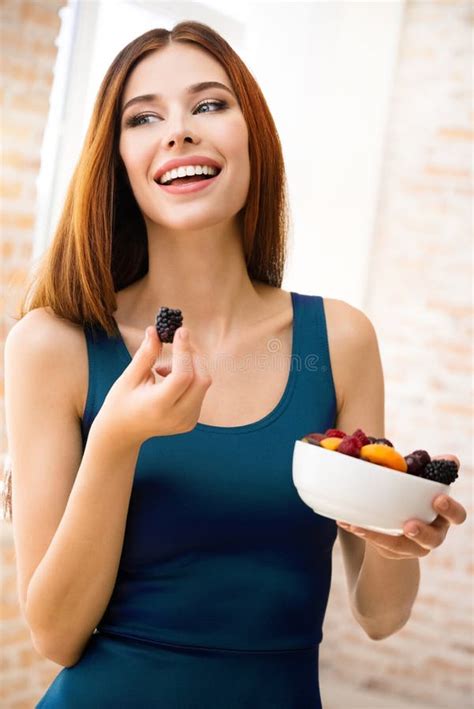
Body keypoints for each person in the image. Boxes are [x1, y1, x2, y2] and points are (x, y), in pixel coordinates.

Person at [4, 21, 467, 709]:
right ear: (118, 159)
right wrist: (116, 439)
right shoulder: (53, 344)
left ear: (253, 136)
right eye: (144, 117)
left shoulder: (337, 340)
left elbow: (380, 616)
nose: (179, 131)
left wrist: (398, 542)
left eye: (210, 104)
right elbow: (57, 636)